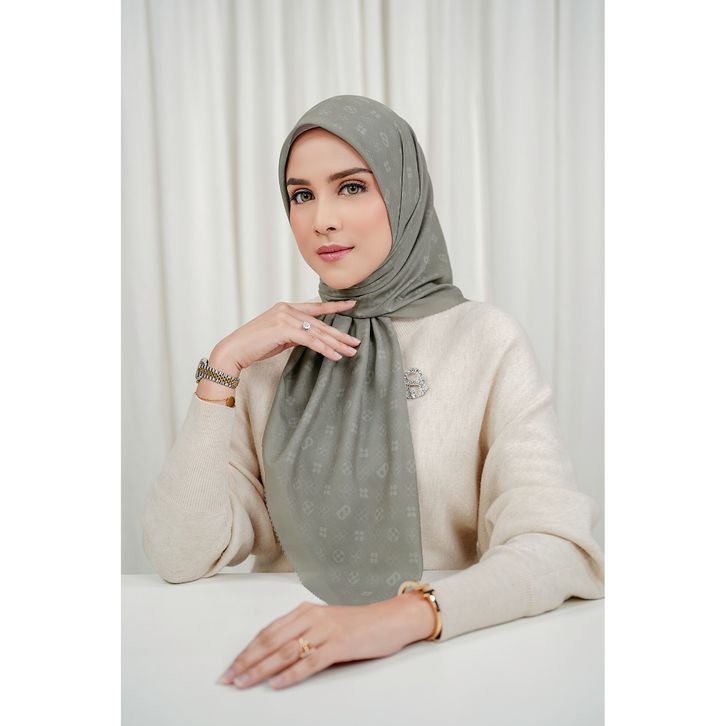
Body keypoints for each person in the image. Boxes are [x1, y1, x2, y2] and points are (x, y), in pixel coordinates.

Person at [141, 94, 605, 691]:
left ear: (404, 193)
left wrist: (398, 618)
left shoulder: (485, 341)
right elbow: (180, 556)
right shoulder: (270, 359)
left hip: (447, 668)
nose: (322, 219)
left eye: (352, 187)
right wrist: (221, 367)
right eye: (301, 195)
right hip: (286, 670)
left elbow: (558, 547)